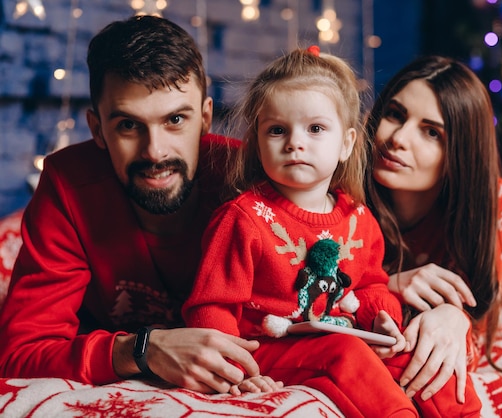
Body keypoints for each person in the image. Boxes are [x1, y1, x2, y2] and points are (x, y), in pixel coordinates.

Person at [182, 46, 482, 417]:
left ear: (347, 144)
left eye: (316, 128)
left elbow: (372, 283)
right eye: (277, 130)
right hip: (270, 344)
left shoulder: (358, 216)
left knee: (414, 356)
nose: (295, 142)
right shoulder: (244, 218)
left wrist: (383, 319)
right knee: (345, 354)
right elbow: (212, 306)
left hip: (346, 330)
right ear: (258, 144)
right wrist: (235, 369)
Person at [0, 15, 263, 394]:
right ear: (97, 130)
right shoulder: (67, 183)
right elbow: (19, 355)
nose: (155, 151)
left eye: (175, 120)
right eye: (128, 125)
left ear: (205, 118)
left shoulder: (246, 180)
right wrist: (142, 350)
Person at [364, 54, 502, 402]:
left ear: (460, 151)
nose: (398, 139)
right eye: (395, 114)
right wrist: (389, 283)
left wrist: (458, 318)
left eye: (431, 132)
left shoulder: (490, 198)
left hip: (488, 235)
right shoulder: (344, 185)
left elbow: (481, 305)